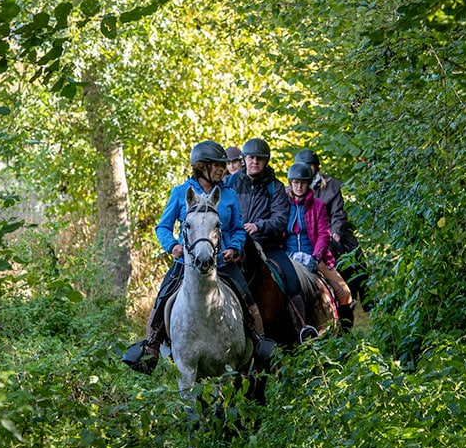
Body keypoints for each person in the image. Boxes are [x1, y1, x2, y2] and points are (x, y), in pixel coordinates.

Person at [123, 140, 274, 374]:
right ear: (201, 166)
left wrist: (233, 248)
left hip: (221, 262)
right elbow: (162, 227)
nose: (221, 169)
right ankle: (150, 347)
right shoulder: (181, 192)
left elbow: (236, 229)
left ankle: (260, 343)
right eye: (216, 165)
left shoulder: (229, 195)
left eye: (222, 165)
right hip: (186, 263)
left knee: (247, 298)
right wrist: (172, 246)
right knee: (163, 297)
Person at [226, 137, 316, 339]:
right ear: (244, 159)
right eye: (250, 158)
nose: (254, 162)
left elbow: (281, 219)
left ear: (266, 161)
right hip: (234, 245)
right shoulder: (230, 183)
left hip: (267, 246)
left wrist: (258, 226)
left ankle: (302, 329)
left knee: (292, 281)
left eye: (259, 159)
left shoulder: (275, 187)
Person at [294, 148, 371, 309]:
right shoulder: (295, 187)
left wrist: (335, 232)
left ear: (316, 166)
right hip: (306, 231)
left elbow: (338, 213)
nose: (305, 169)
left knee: (355, 252)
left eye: (309, 165)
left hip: (329, 228)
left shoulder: (332, 186)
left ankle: (365, 294)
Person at [285, 162, 355, 331]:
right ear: (290, 183)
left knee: (345, 293)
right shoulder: (283, 204)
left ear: (308, 183)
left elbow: (324, 233)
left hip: (313, 256)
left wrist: (316, 257)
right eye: (295, 182)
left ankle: (343, 331)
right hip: (288, 257)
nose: (299, 186)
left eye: (302, 183)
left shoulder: (318, 205)